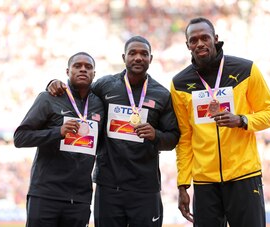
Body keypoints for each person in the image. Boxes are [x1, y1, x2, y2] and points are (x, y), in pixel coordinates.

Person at [47, 36, 180, 227]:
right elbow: (77, 93)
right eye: (133, 53)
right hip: (108, 186)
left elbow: (173, 138)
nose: (138, 58)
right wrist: (53, 83)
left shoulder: (161, 94)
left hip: (145, 188)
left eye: (144, 54)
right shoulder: (104, 85)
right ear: (124, 57)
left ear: (151, 59)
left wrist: (156, 135)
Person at [170, 17, 270, 227]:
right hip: (204, 182)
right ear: (187, 46)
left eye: (204, 37)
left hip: (244, 175)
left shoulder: (246, 69)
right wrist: (183, 184)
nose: (199, 43)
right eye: (193, 40)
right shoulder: (179, 84)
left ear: (215, 39)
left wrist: (241, 120)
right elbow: (185, 138)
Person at [14, 52, 105, 227]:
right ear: (67, 71)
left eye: (88, 67)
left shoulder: (100, 104)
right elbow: (20, 138)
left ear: (94, 74)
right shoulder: (49, 97)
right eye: (77, 66)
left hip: (80, 199)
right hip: (46, 195)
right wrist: (57, 132)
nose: (83, 70)